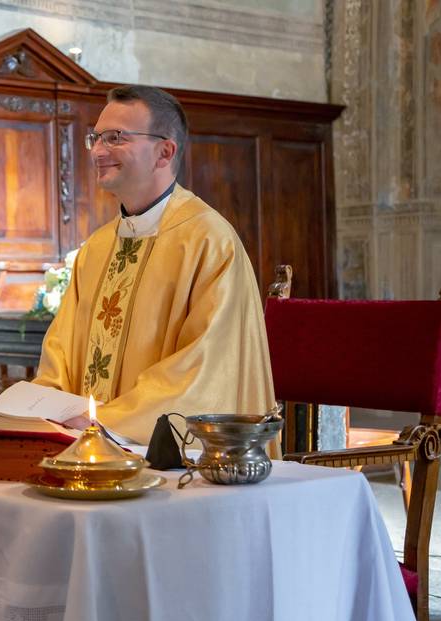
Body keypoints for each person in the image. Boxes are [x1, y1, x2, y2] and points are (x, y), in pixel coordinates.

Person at [33, 85, 276, 443]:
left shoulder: (208, 240)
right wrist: (42, 410)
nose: (99, 150)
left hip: (171, 461)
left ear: (165, 152)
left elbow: (205, 368)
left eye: (115, 138)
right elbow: (60, 353)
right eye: (96, 138)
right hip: (80, 448)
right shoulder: (97, 248)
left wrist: (108, 422)